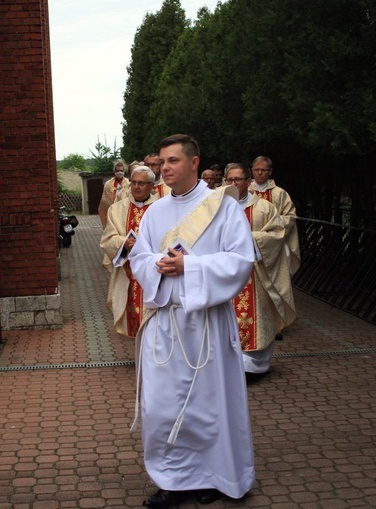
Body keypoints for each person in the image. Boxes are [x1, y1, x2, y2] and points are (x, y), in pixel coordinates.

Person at [128, 134, 256, 507]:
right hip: (166, 323)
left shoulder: (222, 208)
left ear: (195, 162)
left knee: (209, 403)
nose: (164, 169)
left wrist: (191, 265)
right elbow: (139, 259)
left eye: (172, 161)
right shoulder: (155, 211)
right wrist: (159, 266)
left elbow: (240, 260)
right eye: (162, 163)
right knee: (162, 405)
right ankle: (171, 479)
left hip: (206, 323)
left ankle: (214, 475)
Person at [225, 163, 296, 380]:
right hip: (226, 274)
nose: (233, 184)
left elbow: (276, 233)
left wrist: (251, 240)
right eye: (229, 180)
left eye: (238, 180)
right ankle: (227, 365)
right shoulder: (217, 208)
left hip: (257, 275)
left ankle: (254, 367)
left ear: (248, 182)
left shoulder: (265, 208)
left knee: (257, 317)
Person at [100, 165, 158, 337]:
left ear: (152, 186)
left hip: (155, 273)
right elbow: (107, 239)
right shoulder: (117, 209)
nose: (136, 187)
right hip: (129, 273)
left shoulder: (161, 207)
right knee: (134, 321)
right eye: (133, 182)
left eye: (141, 183)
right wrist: (124, 243)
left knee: (155, 325)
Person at [248, 156, 300, 275]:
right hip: (248, 243)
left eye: (263, 170)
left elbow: (290, 217)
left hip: (274, 246)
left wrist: (270, 228)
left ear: (270, 172)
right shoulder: (244, 192)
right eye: (256, 169)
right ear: (252, 171)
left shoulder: (279, 193)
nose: (259, 173)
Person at [98, 158, 130, 228]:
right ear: (114, 171)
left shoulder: (128, 183)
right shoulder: (108, 184)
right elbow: (105, 201)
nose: (119, 172)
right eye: (117, 170)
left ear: (124, 171)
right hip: (112, 212)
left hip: (124, 212)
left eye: (121, 171)